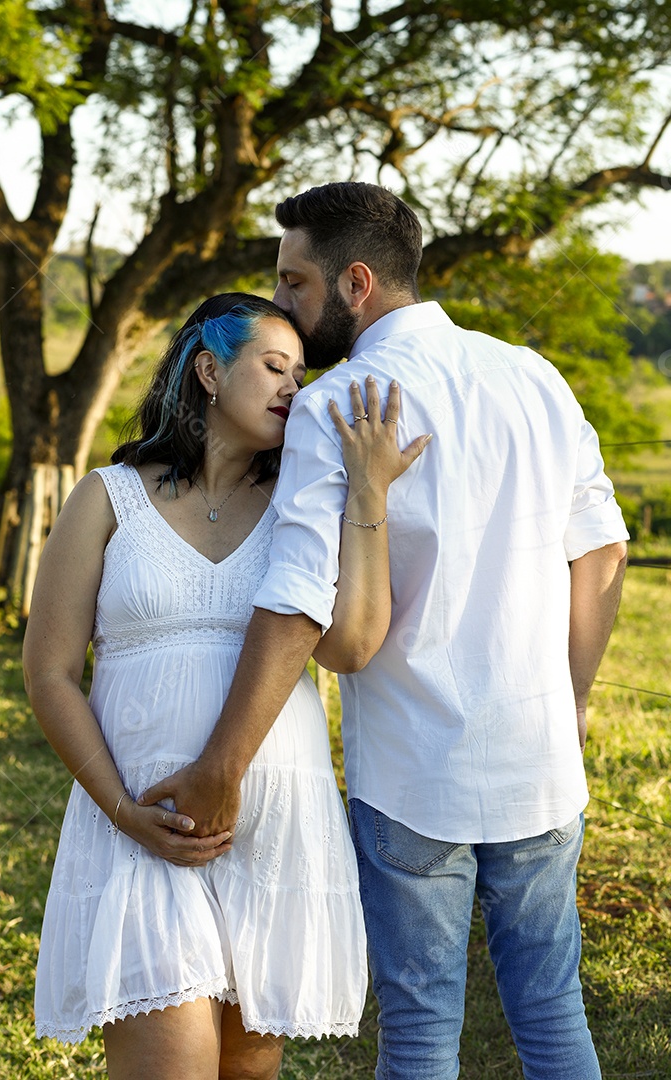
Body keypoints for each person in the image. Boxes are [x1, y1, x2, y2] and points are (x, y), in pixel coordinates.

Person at [138, 185, 630, 1080]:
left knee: (419, 1028)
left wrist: (221, 766)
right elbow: (600, 555)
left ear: (355, 281)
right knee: (555, 1010)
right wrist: (577, 697)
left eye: (294, 283)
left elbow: (298, 603)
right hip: (542, 761)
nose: (281, 304)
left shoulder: (342, 407)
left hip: (414, 774)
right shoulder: (533, 376)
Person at [23, 291, 430, 1080]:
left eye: (302, 373)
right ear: (208, 370)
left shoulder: (304, 503)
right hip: (145, 828)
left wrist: (368, 495)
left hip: (275, 835)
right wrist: (123, 812)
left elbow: (350, 642)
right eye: (274, 367)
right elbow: (49, 673)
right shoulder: (108, 498)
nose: (295, 389)